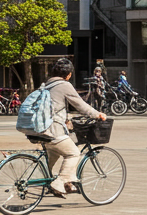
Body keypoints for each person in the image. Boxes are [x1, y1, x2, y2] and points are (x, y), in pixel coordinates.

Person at [35, 58, 107, 197]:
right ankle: (59, 182)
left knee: (56, 152)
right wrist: (97, 114)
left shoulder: (46, 85)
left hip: (39, 129)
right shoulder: (64, 85)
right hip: (53, 130)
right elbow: (80, 104)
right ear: (68, 75)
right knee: (73, 153)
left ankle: (62, 183)